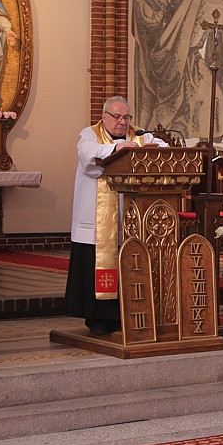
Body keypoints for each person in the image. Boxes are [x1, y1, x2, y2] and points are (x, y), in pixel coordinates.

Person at [65, 96, 167, 336]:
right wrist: (118, 148)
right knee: (97, 264)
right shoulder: (90, 134)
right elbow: (88, 156)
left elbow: (163, 149)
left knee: (128, 264)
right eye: (117, 117)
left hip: (132, 218)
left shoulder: (140, 135)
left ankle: (127, 315)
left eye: (126, 117)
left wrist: (139, 148)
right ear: (104, 117)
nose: (122, 122)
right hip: (98, 219)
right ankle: (98, 318)